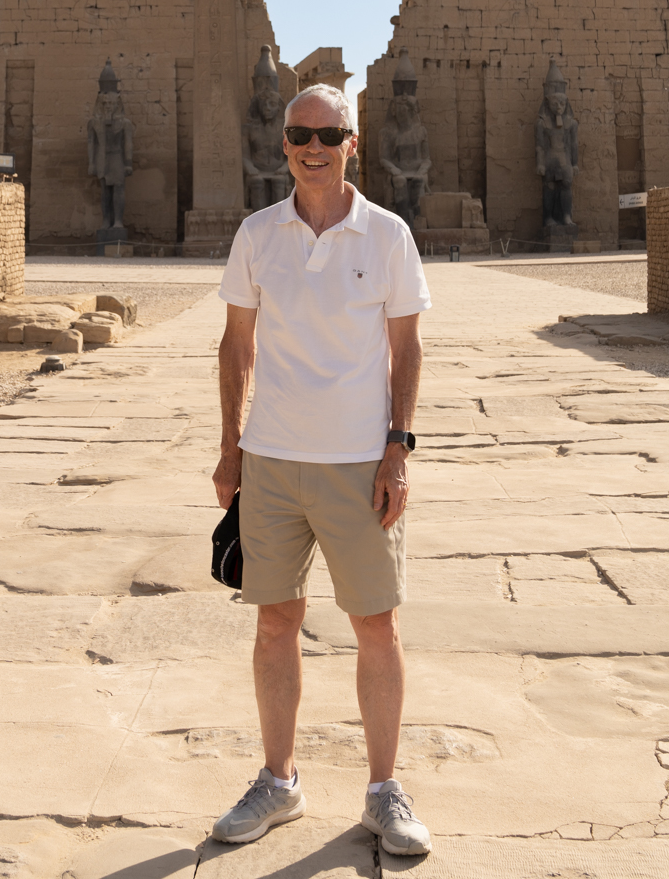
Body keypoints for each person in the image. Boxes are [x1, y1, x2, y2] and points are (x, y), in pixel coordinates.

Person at [209, 82, 433, 855]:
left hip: (357, 460)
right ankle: (279, 781)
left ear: (352, 144)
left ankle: (383, 790)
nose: (313, 146)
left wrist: (397, 450)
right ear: (283, 143)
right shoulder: (259, 234)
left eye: (329, 134)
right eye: (301, 133)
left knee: (377, 625)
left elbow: (406, 349)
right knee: (276, 623)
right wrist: (230, 447)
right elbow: (237, 346)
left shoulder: (388, 235)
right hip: (272, 457)